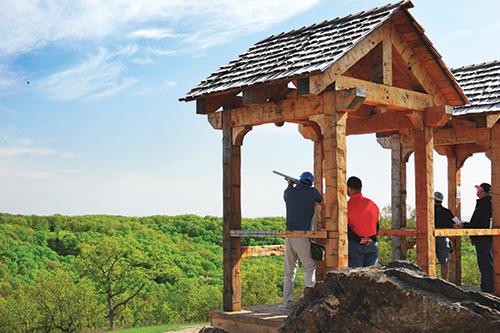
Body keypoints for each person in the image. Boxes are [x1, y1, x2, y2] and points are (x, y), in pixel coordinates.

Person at [282, 171, 323, 309]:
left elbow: (287, 193)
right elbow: (323, 202)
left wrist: (290, 184)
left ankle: (287, 301)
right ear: (310, 182)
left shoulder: (289, 193)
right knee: (309, 267)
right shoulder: (312, 192)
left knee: (289, 271)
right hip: (301, 235)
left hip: (288, 235)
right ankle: (308, 300)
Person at [464, 183, 493, 292]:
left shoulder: (484, 204)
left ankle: (488, 289)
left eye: (479, 188)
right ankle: (487, 288)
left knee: (486, 264)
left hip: (483, 238)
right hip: (483, 238)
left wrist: (464, 225)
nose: (477, 190)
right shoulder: (486, 203)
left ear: (483, 191)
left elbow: (477, 223)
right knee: (485, 263)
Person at [347, 176, 380, 267]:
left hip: (355, 245)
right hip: (371, 244)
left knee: (355, 277)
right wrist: (371, 239)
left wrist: (360, 240)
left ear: (349, 189)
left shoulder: (347, 206)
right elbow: (376, 226)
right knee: (372, 277)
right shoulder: (373, 205)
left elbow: (345, 229)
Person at [433, 191, 462, 280]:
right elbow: (458, 223)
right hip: (443, 238)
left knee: (427, 262)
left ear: (433, 200)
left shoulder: (429, 211)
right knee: (444, 262)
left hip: (430, 238)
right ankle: (444, 282)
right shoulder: (447, 212)